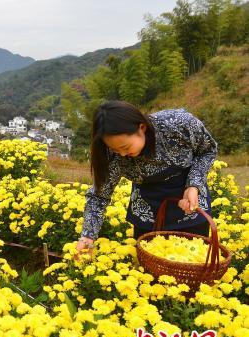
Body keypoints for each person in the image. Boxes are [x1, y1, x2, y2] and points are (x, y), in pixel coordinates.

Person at [76, 100, 218, 256]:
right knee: (149, 271)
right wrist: (87, 238)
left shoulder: (177, 124)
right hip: (147, 215)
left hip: (191, 207)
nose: (122, 154)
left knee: (194, 263)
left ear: (141, 128)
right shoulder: (113, 157)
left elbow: (208, 150)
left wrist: (194, 185)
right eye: (114, 149)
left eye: (125, 147)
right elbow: (98, 197)